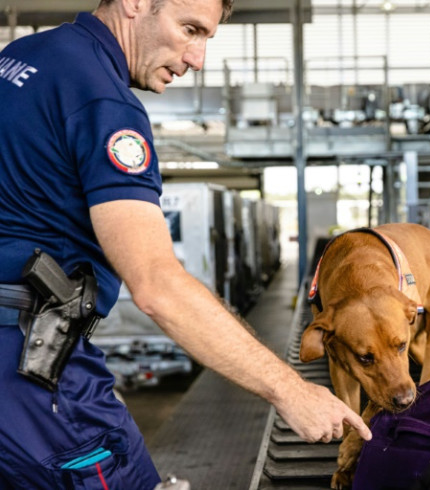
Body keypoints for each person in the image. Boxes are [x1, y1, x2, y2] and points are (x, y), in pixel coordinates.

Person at [0, 0, 371, 488]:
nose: (196, 59)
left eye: (206, 38)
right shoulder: (103, 100)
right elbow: (157, 285)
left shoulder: (22, 58)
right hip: (29, 366)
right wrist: (290, 390)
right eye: (189, 29)